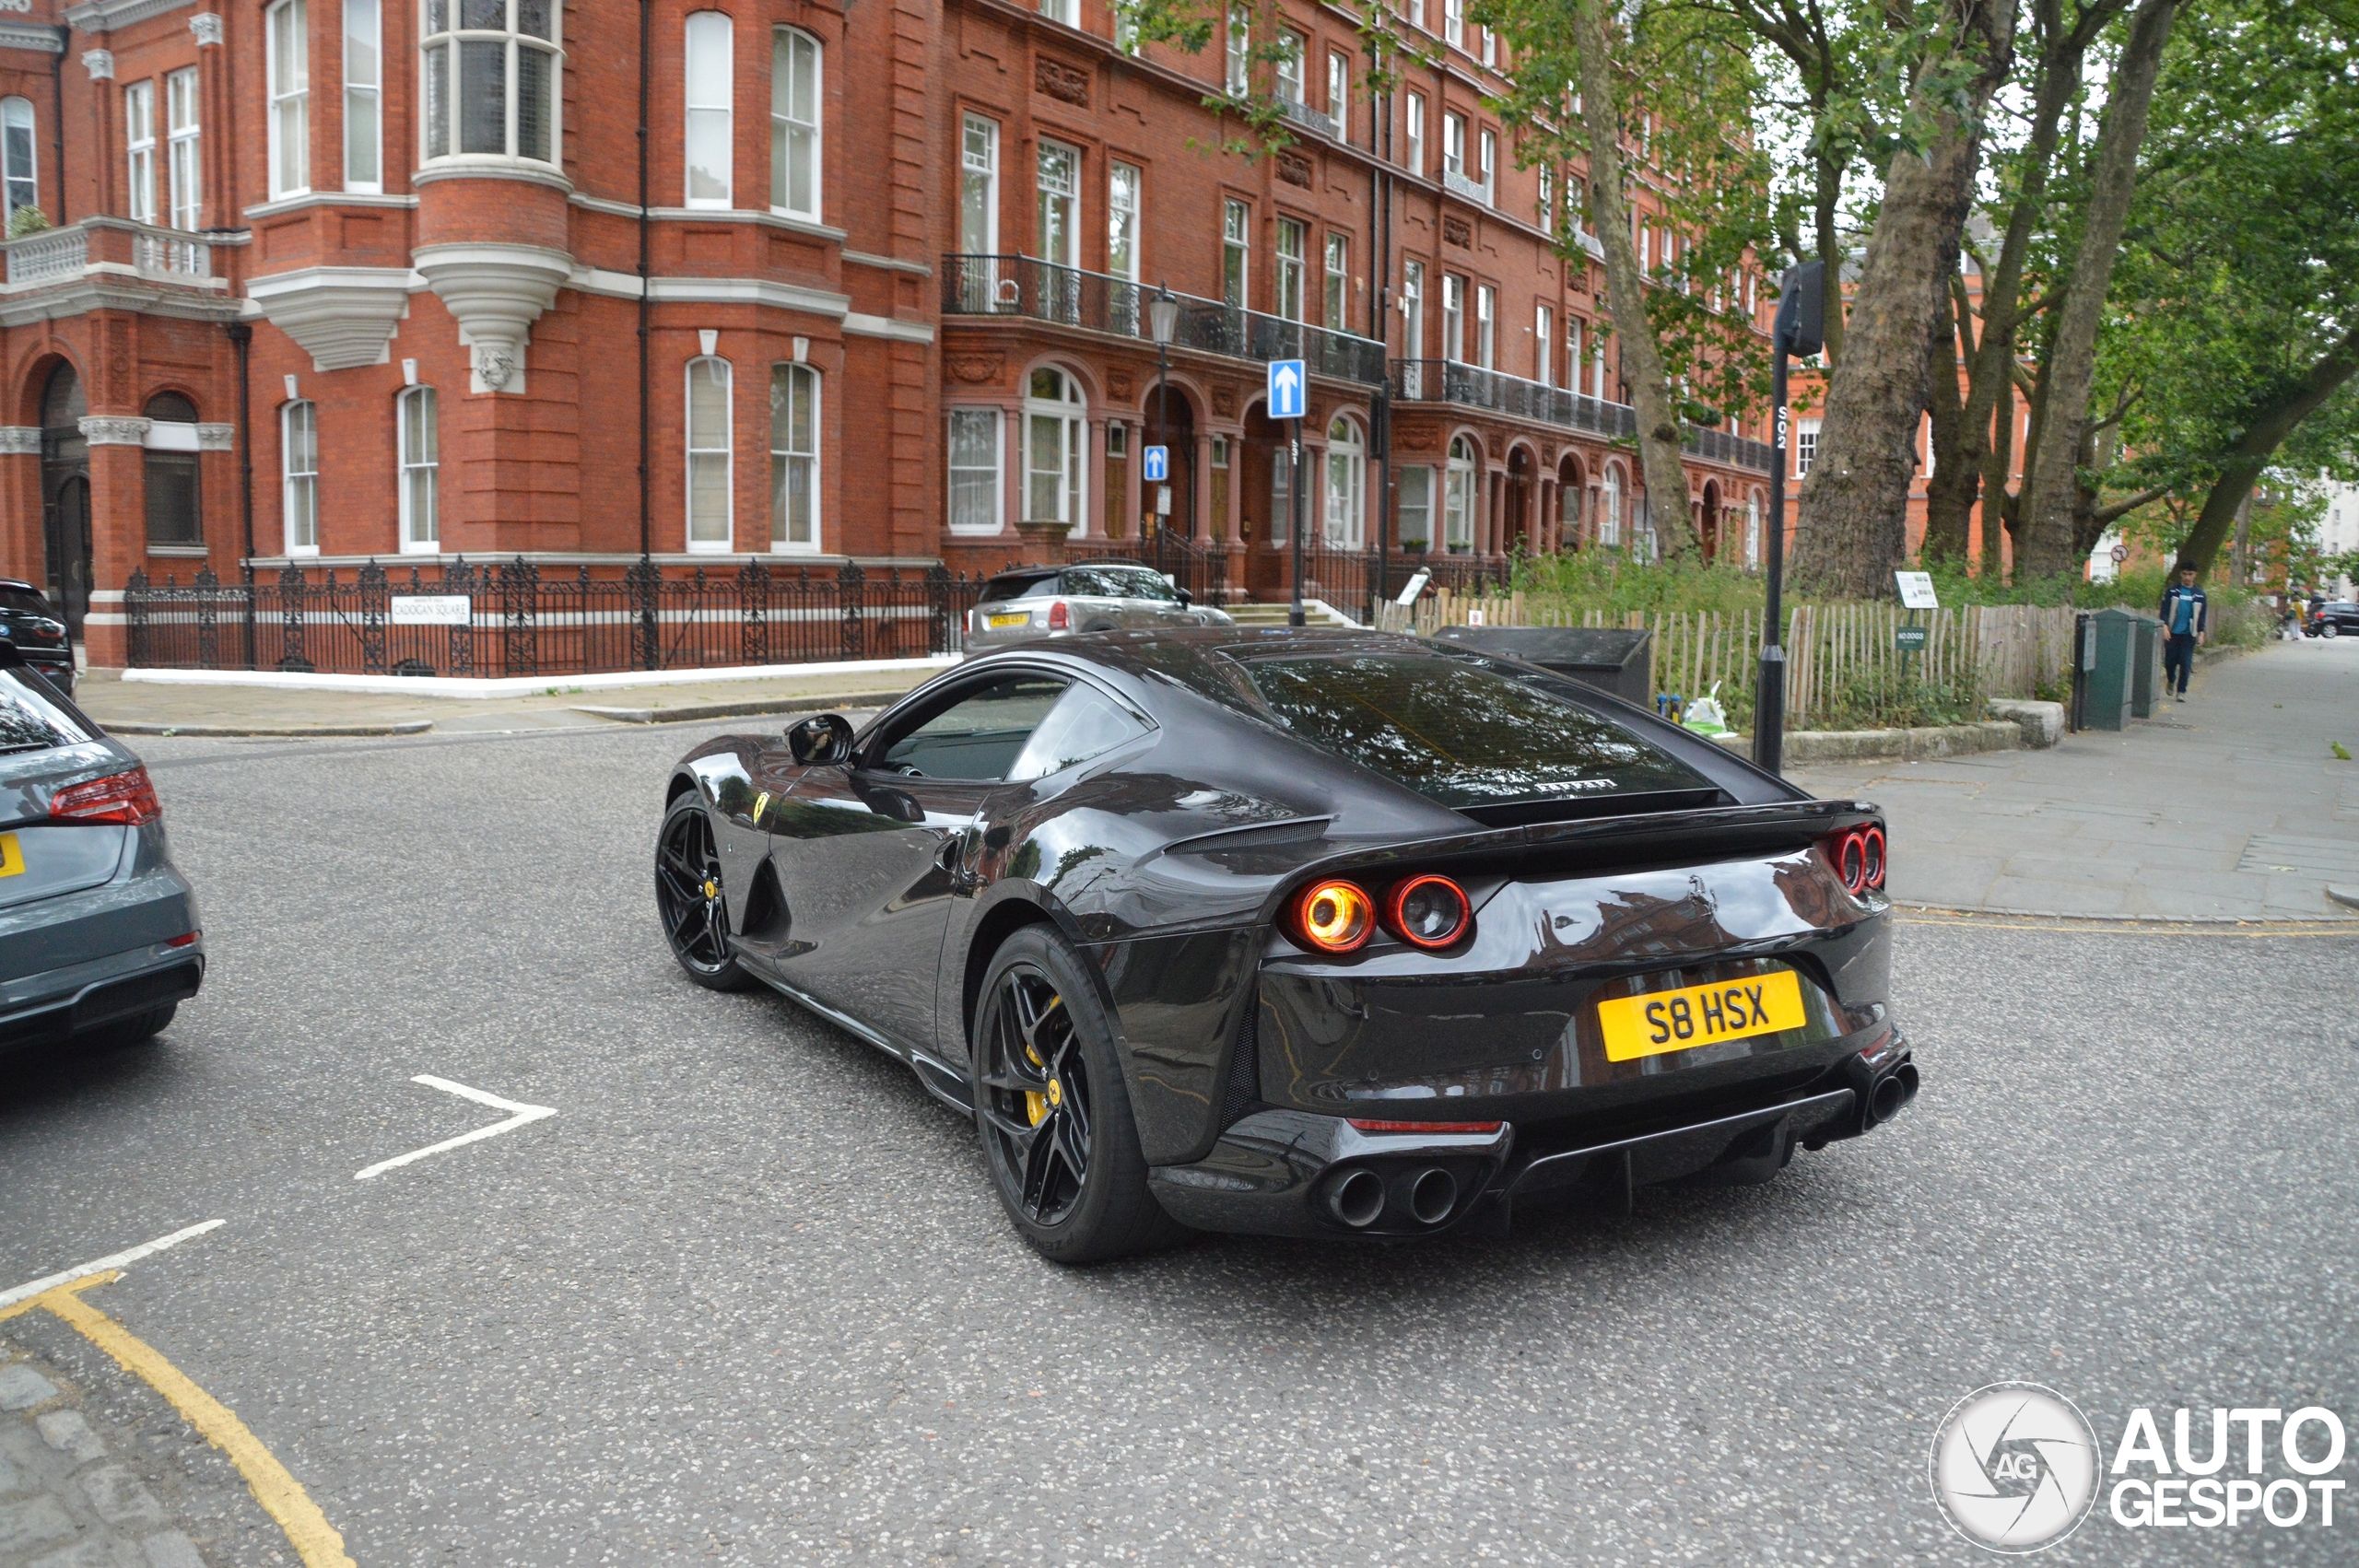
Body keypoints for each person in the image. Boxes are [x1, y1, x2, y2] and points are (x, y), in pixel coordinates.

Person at [2157, 567, 2208, 700]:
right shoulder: (2172, 591)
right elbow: (2165, 610)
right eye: (2184, 574)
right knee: (2170, 661)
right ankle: (2171, 679)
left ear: (2195, 575)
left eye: (2190, 574)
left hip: (2189, 634)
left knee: (2186, 663)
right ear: (2181, 574)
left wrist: (2201, 633)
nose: (2187, 577)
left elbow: (2202, 615)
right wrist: (2165, 626)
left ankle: (2181, 691)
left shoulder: (2200, 595)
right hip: (2172, 633)